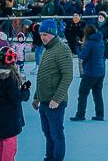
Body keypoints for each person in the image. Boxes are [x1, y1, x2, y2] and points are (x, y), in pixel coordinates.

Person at [33, 19, 73, 161]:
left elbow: (67, 76)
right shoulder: (47, 49)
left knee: (56, 135)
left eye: (46, 34)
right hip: (44, 102)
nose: (43, 37)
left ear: (53, 34)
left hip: (55, 102)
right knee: (48, 134)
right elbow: (42, 75)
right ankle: (49, 158)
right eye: (41, 34)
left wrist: (57, 99)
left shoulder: (62, 49)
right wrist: (36, 96)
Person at [0, 47, 31, 161]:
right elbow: (15, 98)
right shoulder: (10, 76)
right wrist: (25, 91)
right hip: (10, 116)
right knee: (9, 143)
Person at [71, 24, 105, 122]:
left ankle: (80, 114)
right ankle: (100, 114)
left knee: (83, 93)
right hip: (100, 71)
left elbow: (83, 56)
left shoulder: (89, 43)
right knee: (97, 94)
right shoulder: (100, 41)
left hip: (90, 72)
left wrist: (77, 47)